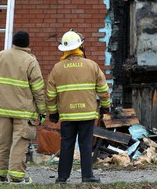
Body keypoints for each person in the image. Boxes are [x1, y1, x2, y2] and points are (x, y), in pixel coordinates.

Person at [46, 29, 110, 184]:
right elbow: (103, 89)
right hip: (87, 113)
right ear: (80, 47)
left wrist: (53, 113)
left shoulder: (57, 68)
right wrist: (105, 107)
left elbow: (50, 94)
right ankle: (87, 176)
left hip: (67, 114)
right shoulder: (91, 65)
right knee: (86, 144)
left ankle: (62, 177)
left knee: (66, 144)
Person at [0, 30, 46, 184]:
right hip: (23, 111)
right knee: (19, 143)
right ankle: (17, 177)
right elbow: (38, 89)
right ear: (27, 43)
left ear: (13, 41)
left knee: (2, 143)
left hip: (2, 109)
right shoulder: (30, 61)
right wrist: (42, 110)